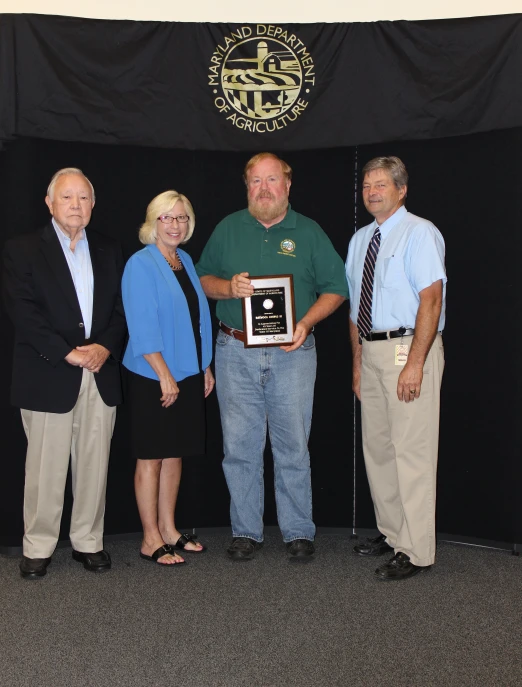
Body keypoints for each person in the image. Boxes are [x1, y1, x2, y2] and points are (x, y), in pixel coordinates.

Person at [196, 152, 348, 561]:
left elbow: (337, 287)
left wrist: (307, 323)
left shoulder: (309, 232)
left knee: (292, 446)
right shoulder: (228, 228)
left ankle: (298, 530)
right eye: (255, 182)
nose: (264, 189)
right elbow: (201, 278)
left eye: (272, 180)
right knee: (240, 447)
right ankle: (246, 530)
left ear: (287, 184)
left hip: (293, 355)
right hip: (234, 351)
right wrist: (228, 288)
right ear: (247, 187)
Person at [2, 167, 126, 579]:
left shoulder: (110, 249)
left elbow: (121, 311)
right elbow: (23, 312)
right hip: (49, 372)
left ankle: (88, 541)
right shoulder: (21, 250)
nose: (76, 205)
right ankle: (38, 546)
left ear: (93, 205)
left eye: (84, 198)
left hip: (99, 372)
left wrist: (104, 347)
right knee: (45, 467)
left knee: (95, 463)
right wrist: (68, 353)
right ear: (50, 203)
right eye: (67, 197)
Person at [345, 156, 446, 581]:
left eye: (381, 184)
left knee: (412, 453)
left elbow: (431, 299)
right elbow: (356, 310)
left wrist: (416, 364)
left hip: (409, 350)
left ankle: (417, 550)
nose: (372, 191)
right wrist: (357, 363)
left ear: (401, 190)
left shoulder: (419, 233)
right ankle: (391, 533)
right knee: (380, 451)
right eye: (367, 185)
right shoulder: (360, 240)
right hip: (371, 354)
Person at [122, 191, 214, 566]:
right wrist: (164, 375)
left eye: (181, 218)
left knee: (174, 454)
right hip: (153, 376)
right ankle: (149, 538)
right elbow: (142, 327)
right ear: (152, 223)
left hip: (188, 372)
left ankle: (170, 530)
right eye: (167, 218)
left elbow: (196, 320)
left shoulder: (185, 260)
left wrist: (204, 366)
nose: (175, 225)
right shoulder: (140, 265)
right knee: (152, 457)